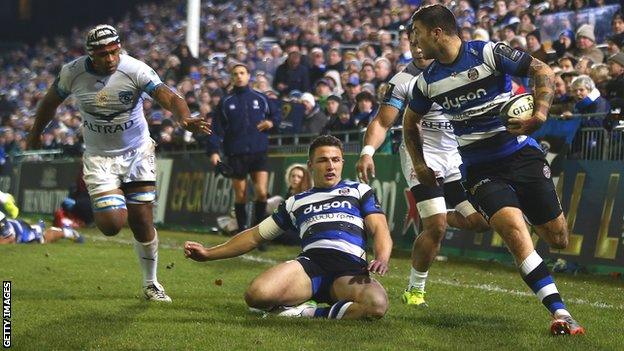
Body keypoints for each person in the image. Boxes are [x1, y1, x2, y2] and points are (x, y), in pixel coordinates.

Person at [404, 5, 585, 335]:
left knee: (557, 238)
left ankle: (524, 207)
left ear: (436, 33)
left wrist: (540, 115)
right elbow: (409, 123)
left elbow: (543, 70)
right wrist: (419, 163)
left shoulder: (486, 53)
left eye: (416, 33)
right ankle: (561, 311)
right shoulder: (426, 82)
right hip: (479, 168)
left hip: (522, 155)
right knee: (514, 232)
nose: (414, 42)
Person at [27, 24, 210, 302]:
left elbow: (169, 96)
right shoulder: (72, 72)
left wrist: (183, 118)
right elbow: (50, 102)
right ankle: (115, 200)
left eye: (114, 52)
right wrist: (36, 131)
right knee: (112, 224)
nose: (110, 59)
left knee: (141, 220)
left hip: (137, 152)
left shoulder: (135, 69)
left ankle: (151, 284)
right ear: (91, 55)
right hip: (100, 158)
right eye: (103, 55)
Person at [185, 135, 392, 320]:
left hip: (349, 269)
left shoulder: (359, 190)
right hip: (310, 267)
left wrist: (382, 257)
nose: (330, 166)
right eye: (323, 160)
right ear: (310, 165)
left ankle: (305, 313)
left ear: (342, 163)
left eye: (335, 160)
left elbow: (380, 228)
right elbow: (255, 236)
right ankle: (308, 306)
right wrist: (208, 254)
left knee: (376, 305)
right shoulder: (295, 202)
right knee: (257, 296)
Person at [357, 35, 488, 307]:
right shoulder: (403, 81)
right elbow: (382, 122)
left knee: (480, 222)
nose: (417, 47)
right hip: (421, 156)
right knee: (435, 227)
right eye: (411, 42)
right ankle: (415, 290)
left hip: (456, 157)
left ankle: (443, 216)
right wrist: (367, 152)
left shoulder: (462, 69)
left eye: (421, 41)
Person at [208, 64, 281, 232]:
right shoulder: (226, 102)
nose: (239, 76)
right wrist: (213, 151)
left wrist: (271, 122)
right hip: (236, 153)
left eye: (242, 73)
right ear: (231, 78)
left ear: (249, 76)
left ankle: (259, 232)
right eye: (235, 74)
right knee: (240, 195)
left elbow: (277, 114)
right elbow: (216, 129)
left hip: (258, 152)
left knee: (262, 192)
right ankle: (242, 232)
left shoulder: (261, 98)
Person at [0, 211, 84, 245]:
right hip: (13, 225)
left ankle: (66, 232)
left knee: (42, 238)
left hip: (21, 232)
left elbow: (9, 238)